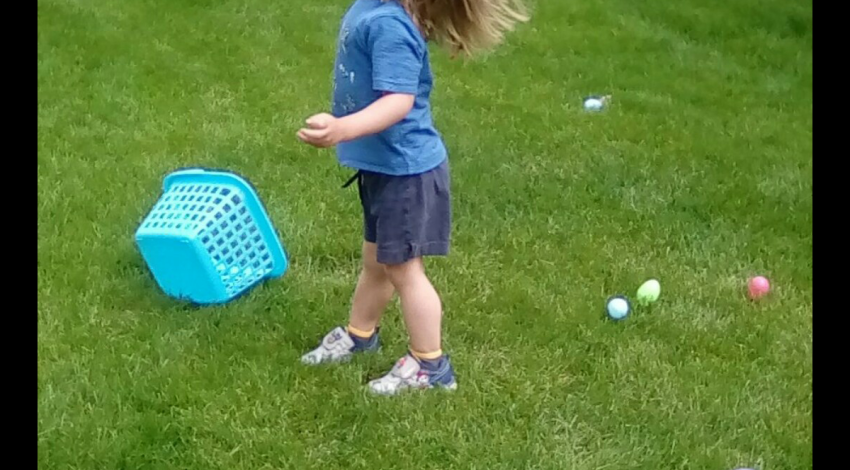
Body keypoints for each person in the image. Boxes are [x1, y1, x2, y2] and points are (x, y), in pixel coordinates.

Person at [296, 0, 527, 395]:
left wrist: (342, 128)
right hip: (384, 169)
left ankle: (430, 365)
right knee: (377, 261)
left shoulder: (389, 25)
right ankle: (360, 334)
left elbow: (398, 102)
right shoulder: (372, 8)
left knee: (404, 269)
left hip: (406, 172)